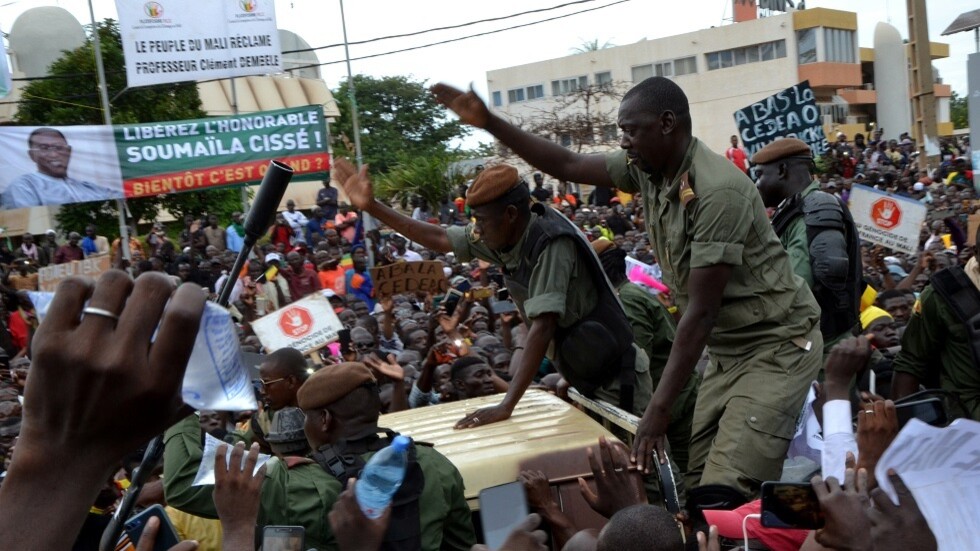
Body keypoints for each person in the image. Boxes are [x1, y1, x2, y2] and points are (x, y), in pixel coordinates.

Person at [431, 77, 823, 498]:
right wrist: (490, 122)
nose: (624, 142)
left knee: (726, 493)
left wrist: (656, 412)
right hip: (729, 351)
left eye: (631, 130)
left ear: (667, 123)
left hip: (776, 345)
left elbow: (701, 312)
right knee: (694, 487)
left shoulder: (717, 192)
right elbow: (566, 164)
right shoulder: (647, 169)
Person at [335, 159, 653, 430]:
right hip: (589, 373)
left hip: (616, 379)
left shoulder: (551, 243)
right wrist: (372, 207)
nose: (478, 230)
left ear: (511, 214)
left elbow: (542, 327)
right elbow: (440, 237)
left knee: (642, 473)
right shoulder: (503, 232)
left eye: (482, 221)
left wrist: (506, 406)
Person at [591, 238, 697, 473]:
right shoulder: (630, 293)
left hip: (675, 404)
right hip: (675, 399)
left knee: (683, 474)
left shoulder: (627, 300)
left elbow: (637, 361)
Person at [753, 138, 863, 355]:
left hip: (823, 351)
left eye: (759, 175)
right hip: (813, 345)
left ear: (782, 170)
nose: (756, 184)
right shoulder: (796, 211)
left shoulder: (816, 210)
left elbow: (792, 289)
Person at [892, 226, 980, 420]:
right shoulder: (943, 296)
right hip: (968, 430)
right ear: (976, 253)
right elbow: (911, 362)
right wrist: (906, 431)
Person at [2, 128, 122, 209]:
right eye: (44, 148)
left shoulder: (86, 187)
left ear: (69, 151)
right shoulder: (24, 186)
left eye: (59, 148)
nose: (54, 154)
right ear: (32, 155)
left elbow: (116, 194)